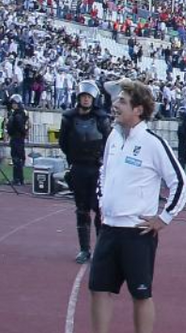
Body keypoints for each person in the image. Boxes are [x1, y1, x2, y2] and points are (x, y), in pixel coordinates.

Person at [90, 78, 186, 333]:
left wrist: (164, 217)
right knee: (99, 289)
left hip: (137, 233)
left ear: (138, 110)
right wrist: (102, 202)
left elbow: (180, 182)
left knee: (141, 294)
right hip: (108, 228)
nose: (115, 105)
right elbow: (103, 173)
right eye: (116, 100)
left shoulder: (152, 143)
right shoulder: (113, 137)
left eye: (122, 102)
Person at [59, 80, 112, 263]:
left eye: (89, 97)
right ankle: (84, 249)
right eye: (83, 96)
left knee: (99, 209)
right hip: (79, 168)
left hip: (97, 169)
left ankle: (100, 250)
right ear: (78, 98)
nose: (86, 99)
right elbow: (63, 143)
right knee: (81, 210)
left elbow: (109, 142)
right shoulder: (68, 118)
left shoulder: (102, 118)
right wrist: (73, 160)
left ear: (94, 98)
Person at [3, 94, 28, 185]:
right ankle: (18, 179)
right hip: (16, 138)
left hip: (17, 139)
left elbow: (21, 127)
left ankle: (18, 179)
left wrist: (21, 133)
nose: (12, 105)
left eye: (14, 103)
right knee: (16, 159)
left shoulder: (18, 115)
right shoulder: (18, 113)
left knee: (17, 159)